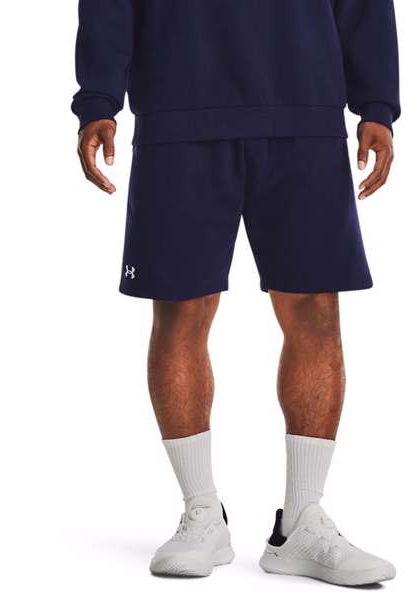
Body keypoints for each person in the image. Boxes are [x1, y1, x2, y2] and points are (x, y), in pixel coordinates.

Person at [72, 0, 400, 586]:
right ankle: (202, 512)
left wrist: (377, 102)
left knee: (315, 311)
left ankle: (301, 522)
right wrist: (98, 99)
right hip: (179, 109)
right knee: (181, 310)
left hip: (304, 110)